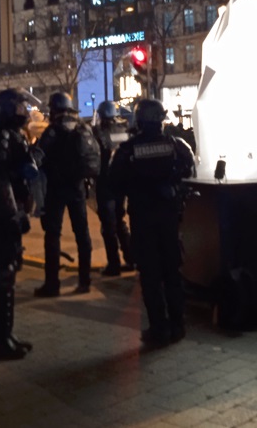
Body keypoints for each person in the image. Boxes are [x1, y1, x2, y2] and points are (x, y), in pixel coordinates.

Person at [110, 98, 196, 346]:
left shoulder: (127, 150)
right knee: (172, 272)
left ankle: (159, 329)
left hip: (143, 219)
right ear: (161, 119)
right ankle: (177, 326)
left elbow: (115, 182)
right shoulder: (177, 145)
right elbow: (188, 172)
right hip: (169, 218)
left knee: (150, 276)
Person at [0, 88, 37, 360]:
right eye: (20, 106)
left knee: (9, 272)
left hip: (10, 212)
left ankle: (6, 334)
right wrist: (13, 214)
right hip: (0, 216)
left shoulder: (13, 134)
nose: (25, 111)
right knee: (2, 274)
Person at [33, 92, 100, 297]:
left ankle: (52, 284)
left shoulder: (53, 130)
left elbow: (38, 156)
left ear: (54, 109)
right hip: (78, 187)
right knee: (82, 233)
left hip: (56, 188)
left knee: (53, 235)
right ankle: (84, 281)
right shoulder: (82, 126)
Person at [91, 100, 133, 277]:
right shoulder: (124, 130)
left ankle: (114, 264)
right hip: (121, 184)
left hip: (105, 184)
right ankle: (131, 259)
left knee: (108, 226)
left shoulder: (98, 132)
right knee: (120, 221)